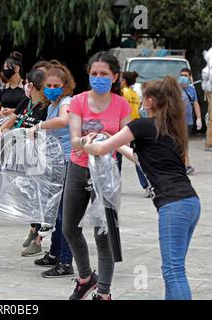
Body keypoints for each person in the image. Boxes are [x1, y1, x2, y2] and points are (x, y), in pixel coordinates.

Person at [84, 76, 201, 300]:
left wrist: (88, 144)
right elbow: (140, 158)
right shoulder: (171, 129)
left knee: (173, 271)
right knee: (174, 269)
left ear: (148, 102)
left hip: (173, 204)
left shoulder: (141, 125)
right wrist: (116, 143)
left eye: (141, 98)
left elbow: (99, 149)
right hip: (190, 202)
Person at [64, 52, 131, 300]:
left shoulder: (122, 105)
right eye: (94, 74)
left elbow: (125, 141)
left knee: (104, 235)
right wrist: (84, 141)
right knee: (69, 228)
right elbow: (73, 139)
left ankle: (103, 292)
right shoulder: (79, 101)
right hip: (78, 169)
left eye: (104, 74)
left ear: (114, 77)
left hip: (106, 175)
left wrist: (144, 160)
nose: (98, 78)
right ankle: (85, 278)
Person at [0, 68, 50, 255]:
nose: (25, 86)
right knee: (28, 195)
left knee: (41, 198)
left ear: (32, 85)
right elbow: (14, 119)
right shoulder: (26, 101)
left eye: (26, 83)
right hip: (21, 156)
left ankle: (40, 240)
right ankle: (33, 229)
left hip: (38, 157)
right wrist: (0, 130)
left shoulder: (46, 107)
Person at [27, 63, 75, 277]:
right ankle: (55, 254)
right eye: (48, 84)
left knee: (65, 214)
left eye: (56, 85)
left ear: (64, 86)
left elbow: (64, 120)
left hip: (68, 162)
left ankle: (66, 262)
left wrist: (39, 127)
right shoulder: (50, 106)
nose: (51, 88)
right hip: (55, 162)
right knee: (54, 212)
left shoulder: (66, 102)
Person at [121, 71, 152, 197]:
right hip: (136, 127)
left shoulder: (123, 93)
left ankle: (147, 184)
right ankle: (148, 184)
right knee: (137, 156)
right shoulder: (134, 94)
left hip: (127, 128)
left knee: (123, 156)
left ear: (123, 81)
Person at [179, 68, 202, 175]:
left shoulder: (192, 90)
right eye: (182, 75)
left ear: (190, 77)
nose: (183, 77)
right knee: (182, 143)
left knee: (184, 143)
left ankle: (184, 164)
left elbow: (196, 104)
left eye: (186, 75)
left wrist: (199, 118)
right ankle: (186, 165)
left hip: (189, 122)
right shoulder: (175, 89)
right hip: (178, 122)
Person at [0, 52, 25, 119]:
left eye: (6, 67)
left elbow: (31, 110)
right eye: (3, 68)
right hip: (4, 124)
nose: (4, 70)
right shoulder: (3, 89)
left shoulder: (26, 87)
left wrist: (13, 111)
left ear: (16, 69)